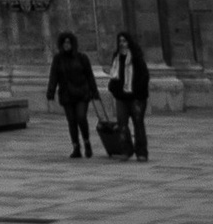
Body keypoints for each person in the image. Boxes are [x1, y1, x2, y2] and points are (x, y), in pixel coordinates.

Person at [47, 30, 100, 160]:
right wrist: (51, 92)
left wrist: (94, 91)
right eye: (64, 42)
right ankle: (76, 146)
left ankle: (86, 141)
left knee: (81, 117)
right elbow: (53, 76)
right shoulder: (58, 59)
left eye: (68, 42)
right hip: (67, 94)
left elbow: (89, 75)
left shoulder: (82, 58)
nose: (66, 45)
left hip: (82, 92)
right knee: (71, 121)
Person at [109, 27, 151, 160]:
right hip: (121, 97)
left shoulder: (136, 58)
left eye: (125, 41)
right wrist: (115, 90)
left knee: (138, 123)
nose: (122, 44)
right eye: (120, 41)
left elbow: (144, 76)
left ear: (129, 43)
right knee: (122, 124)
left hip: (136, 98)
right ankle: (126, 150)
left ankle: (141, 152)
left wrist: (137, 92)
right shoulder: (116, 59)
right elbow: (114, 77)